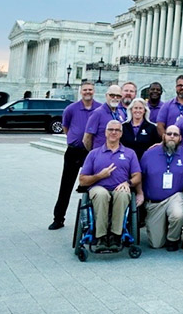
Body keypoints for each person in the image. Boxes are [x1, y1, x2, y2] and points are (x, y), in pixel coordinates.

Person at [78, 120, 141, 249]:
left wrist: (127, 183)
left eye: (117, 130)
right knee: (101, 195)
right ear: (105, 132)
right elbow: (82, 180)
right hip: (98, 188)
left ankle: (116, 235)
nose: (113, 132)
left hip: (120, 187)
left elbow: (138, 176)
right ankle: (100, 236)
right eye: (111, 130)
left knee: (123, 194)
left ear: (121, 133)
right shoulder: (94, 153)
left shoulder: (129, 153)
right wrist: (100, 176)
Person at [49, 80, 101, 230]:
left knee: (94, 185)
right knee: (66, 185)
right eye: (85, 90)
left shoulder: (99, 108)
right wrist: (74, 139)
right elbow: (66, 127)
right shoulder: (71, 109)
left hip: (91, 152)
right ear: (80, 91)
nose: (87, 92)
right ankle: (58, 218)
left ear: (94, 91)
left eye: (90, 90)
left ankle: (95, 219)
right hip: (74, 151)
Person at [83, 85, 127, 151]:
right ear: (106, 96)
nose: (115, 98)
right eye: (112, 95)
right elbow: (87, 138)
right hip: (100, 154)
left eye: (118, 96)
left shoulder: (121, 113)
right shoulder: (97, 113)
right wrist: (94, 153)